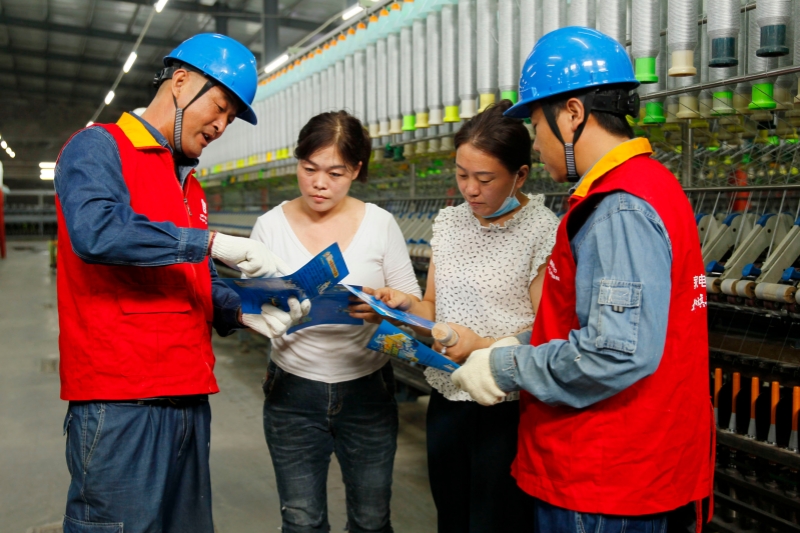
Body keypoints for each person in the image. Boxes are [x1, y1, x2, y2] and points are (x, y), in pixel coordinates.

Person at [452, 27, 714, 532]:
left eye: (536, 125)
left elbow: (614, 351)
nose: (536, 143)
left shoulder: (619, 207)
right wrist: (508, 344)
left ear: (571, 114)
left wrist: (504, 367)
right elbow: (588, 322)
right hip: (628, 470)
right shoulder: (648, 185)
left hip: (603, 479)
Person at [55, 33, 308, 533]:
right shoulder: (98, 148)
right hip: (121, 398)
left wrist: (241, 308)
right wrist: (210, 242)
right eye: (218, 107)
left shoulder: (187, 182)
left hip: (187, 394)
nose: (220, 125)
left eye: (231, 119)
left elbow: (189, 279)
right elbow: (97, 232)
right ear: (181, 81)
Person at [371, 101, 558, 532]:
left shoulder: (541, 230)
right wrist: (401, 304)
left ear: (520, 175)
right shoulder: (450, 223)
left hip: (505, 402)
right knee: (451, 516)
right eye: (461, 175)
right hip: (448, 394)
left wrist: (480, 347)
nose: (470, 190)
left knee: (496, 520)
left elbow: (545, 332)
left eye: (485, 178)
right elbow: (433, 309)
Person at [248, 110, 421, 533]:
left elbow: (413, 305)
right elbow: (251, 309)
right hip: (292, 392)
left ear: (357, 170)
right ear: (298, 162)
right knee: (302, 521)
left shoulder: (379, 224)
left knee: (370, 520)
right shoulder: (268, 227)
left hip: (368, 391)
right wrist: (265, 308)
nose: (319, 183)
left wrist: (389, 305)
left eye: (335, 172)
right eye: (309, 169)